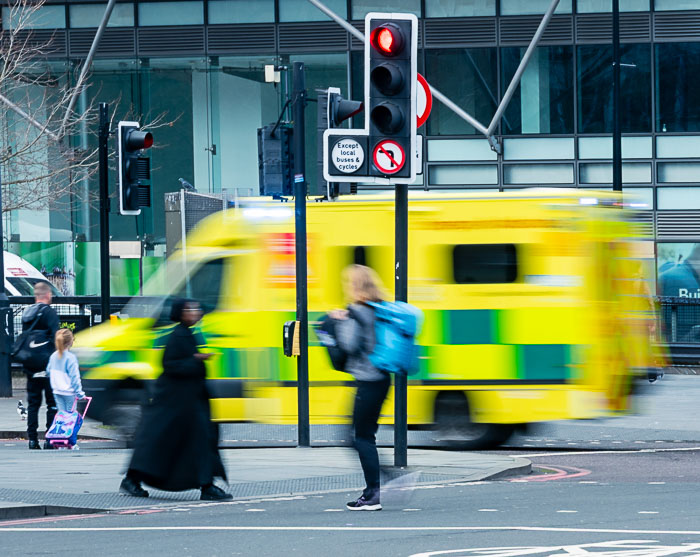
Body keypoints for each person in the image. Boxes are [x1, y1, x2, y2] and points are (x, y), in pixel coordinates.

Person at [119, 298, 232, 501]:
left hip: (189, 402)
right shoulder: (177, 336)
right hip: (176, 403)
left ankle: (206, 484)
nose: (196, 312)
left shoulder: (187, 334)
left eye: (196, 308)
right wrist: (196, 360)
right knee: (163, 443)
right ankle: (132, 479)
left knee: (198, 442)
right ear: (180, 313)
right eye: (191, 309)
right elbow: (170, 365)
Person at [331, 264, 391, 511]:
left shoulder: (356, 311)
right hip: (382, 378)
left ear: (354, 285)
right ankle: (380, 483)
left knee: (359, 436)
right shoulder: (381, 308)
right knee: (363, 435)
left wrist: (338, 322)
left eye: (348, 282)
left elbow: (349, 345)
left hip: (367, 380)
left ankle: (374, 492)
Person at [23, 281, 59, 450]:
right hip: (48, 364)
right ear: (48, 295)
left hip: (31, 365)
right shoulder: (50, 313)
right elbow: (56, 338)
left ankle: (32, 439)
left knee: (33, 403)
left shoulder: (27, 313)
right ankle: (49, 439)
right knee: (51, 403)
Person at [48, 329, 85, 413]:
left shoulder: (53, 356)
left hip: (57, 391)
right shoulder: (71, 358)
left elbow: (48, 371)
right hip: (69, 392)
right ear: (70, 342)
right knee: (70, 417)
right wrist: (80, 393)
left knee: (62, 415)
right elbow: (75, 378)